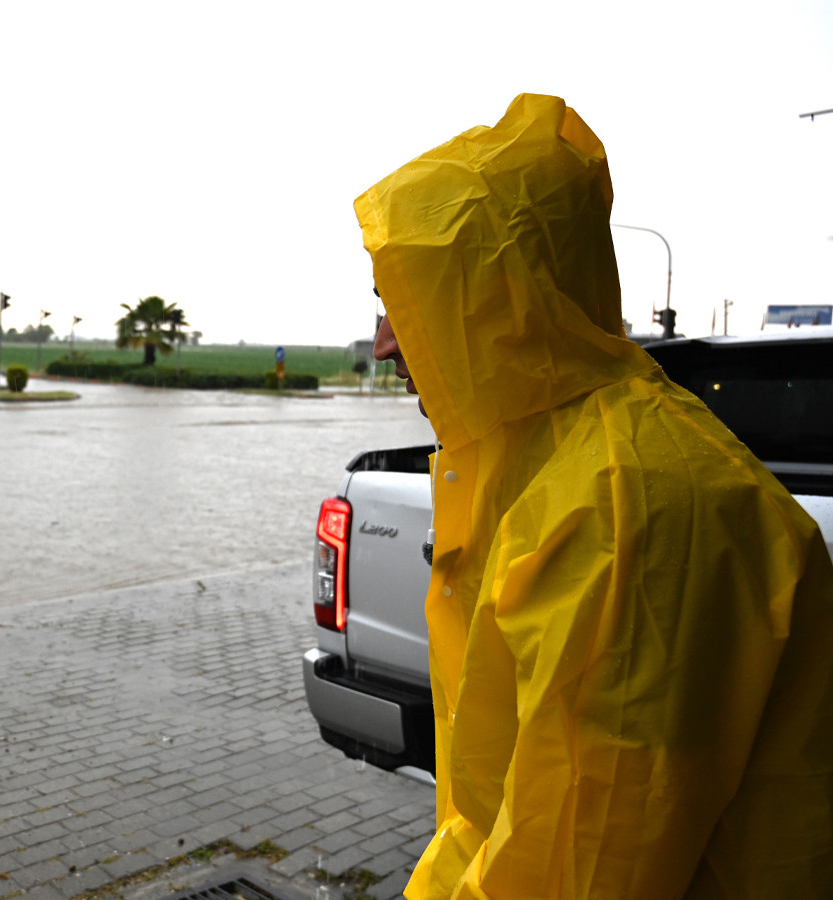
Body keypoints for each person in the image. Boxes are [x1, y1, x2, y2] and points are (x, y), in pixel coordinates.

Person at [356, 93, 833, 898]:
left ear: (505, 305)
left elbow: (580, 865)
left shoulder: (629, 506)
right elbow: (492, 813)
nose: (383, 346)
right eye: (384, 306)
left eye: (407, 307)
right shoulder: (542, 469)